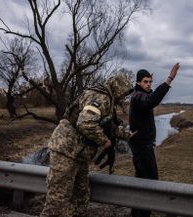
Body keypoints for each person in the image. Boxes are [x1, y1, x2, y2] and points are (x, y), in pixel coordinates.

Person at [40, 73, 135, 217]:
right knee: (57, 200)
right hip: (66, 150)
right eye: (124, 93)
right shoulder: (101, 97)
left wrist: (127, 135)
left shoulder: (107, 99)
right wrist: (105, 141)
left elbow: (107, 126)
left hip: (79, 154)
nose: (124, 97)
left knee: (81, 197)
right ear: (118, 88)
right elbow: (85, 124)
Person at [129, 63, 180, 217]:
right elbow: (151, 100)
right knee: (151, 181)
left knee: (141, 180)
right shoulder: (139, 96)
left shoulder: (139, 96)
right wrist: (169, 79)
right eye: (145, 82)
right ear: (138, 82)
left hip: (141, 145)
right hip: (142, 147)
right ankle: (142, 213)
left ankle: (136, 213)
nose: (149, 84)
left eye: (150, 82)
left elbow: (150, 100)